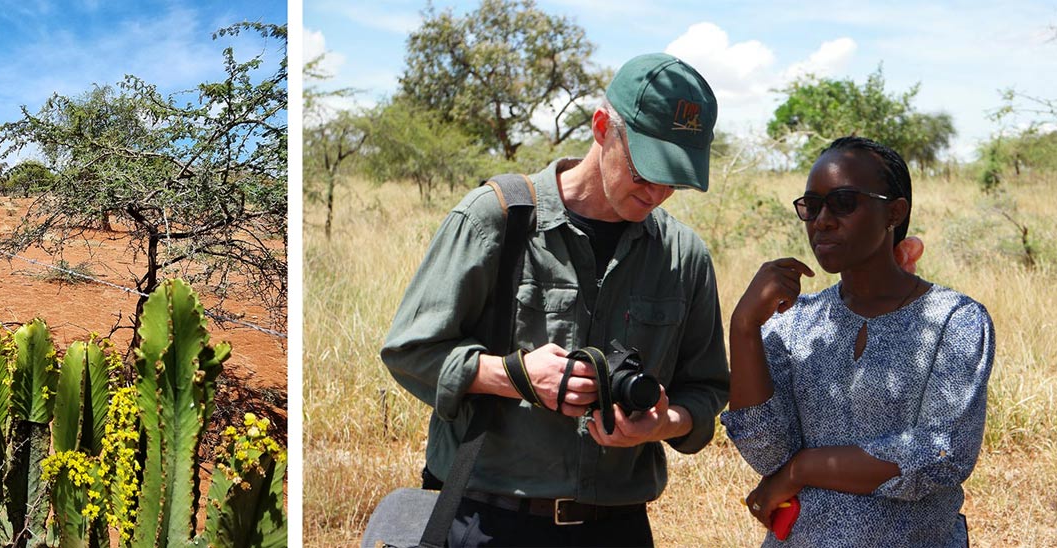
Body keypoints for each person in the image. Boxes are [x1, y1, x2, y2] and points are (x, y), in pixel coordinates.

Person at [381, 52, 729, 547]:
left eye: (673, 178)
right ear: (603, 126)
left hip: (619, 528)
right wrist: (517, 376)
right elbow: (409, 351)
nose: (656, 193)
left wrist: (661, 423)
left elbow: (707, 389)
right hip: (488, 520)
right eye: (645, 170)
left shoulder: (683, 255)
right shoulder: (494, 220)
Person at [723, 136, 995, 547]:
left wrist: (802, 469)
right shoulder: (794, 323)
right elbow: (766, 452)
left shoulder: (953, 321)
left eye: (844, 202)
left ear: (894, 212)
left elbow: (939, 454)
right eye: (811, 207)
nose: (822, 221)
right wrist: (743, 327)